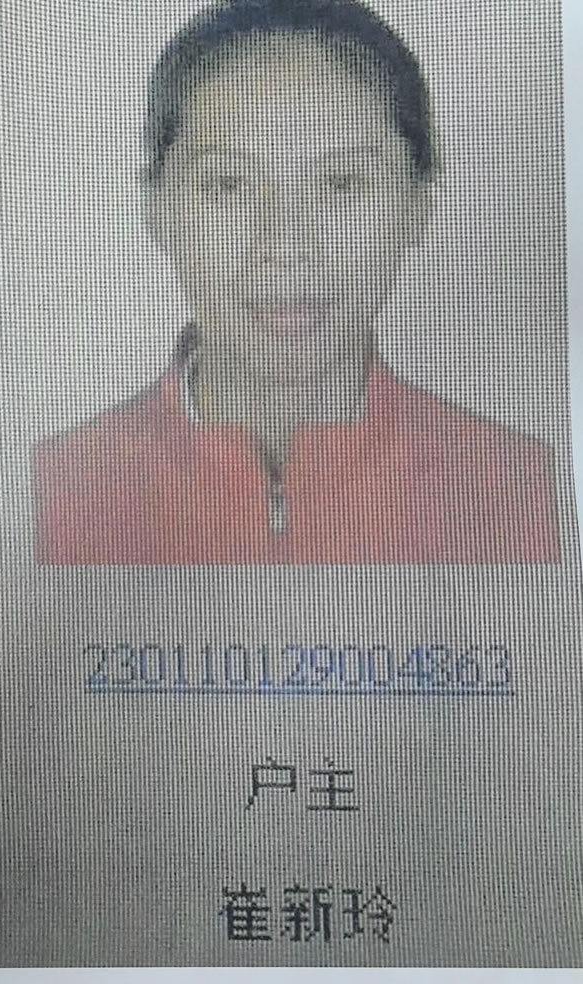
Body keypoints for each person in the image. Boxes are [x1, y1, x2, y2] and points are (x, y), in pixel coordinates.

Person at [34, 0, 559, 564]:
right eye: (228, 184)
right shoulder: (51, 492)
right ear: (156, 209)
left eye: (342, 183)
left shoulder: (520, 492)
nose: (286, 247)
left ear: (417, 206)